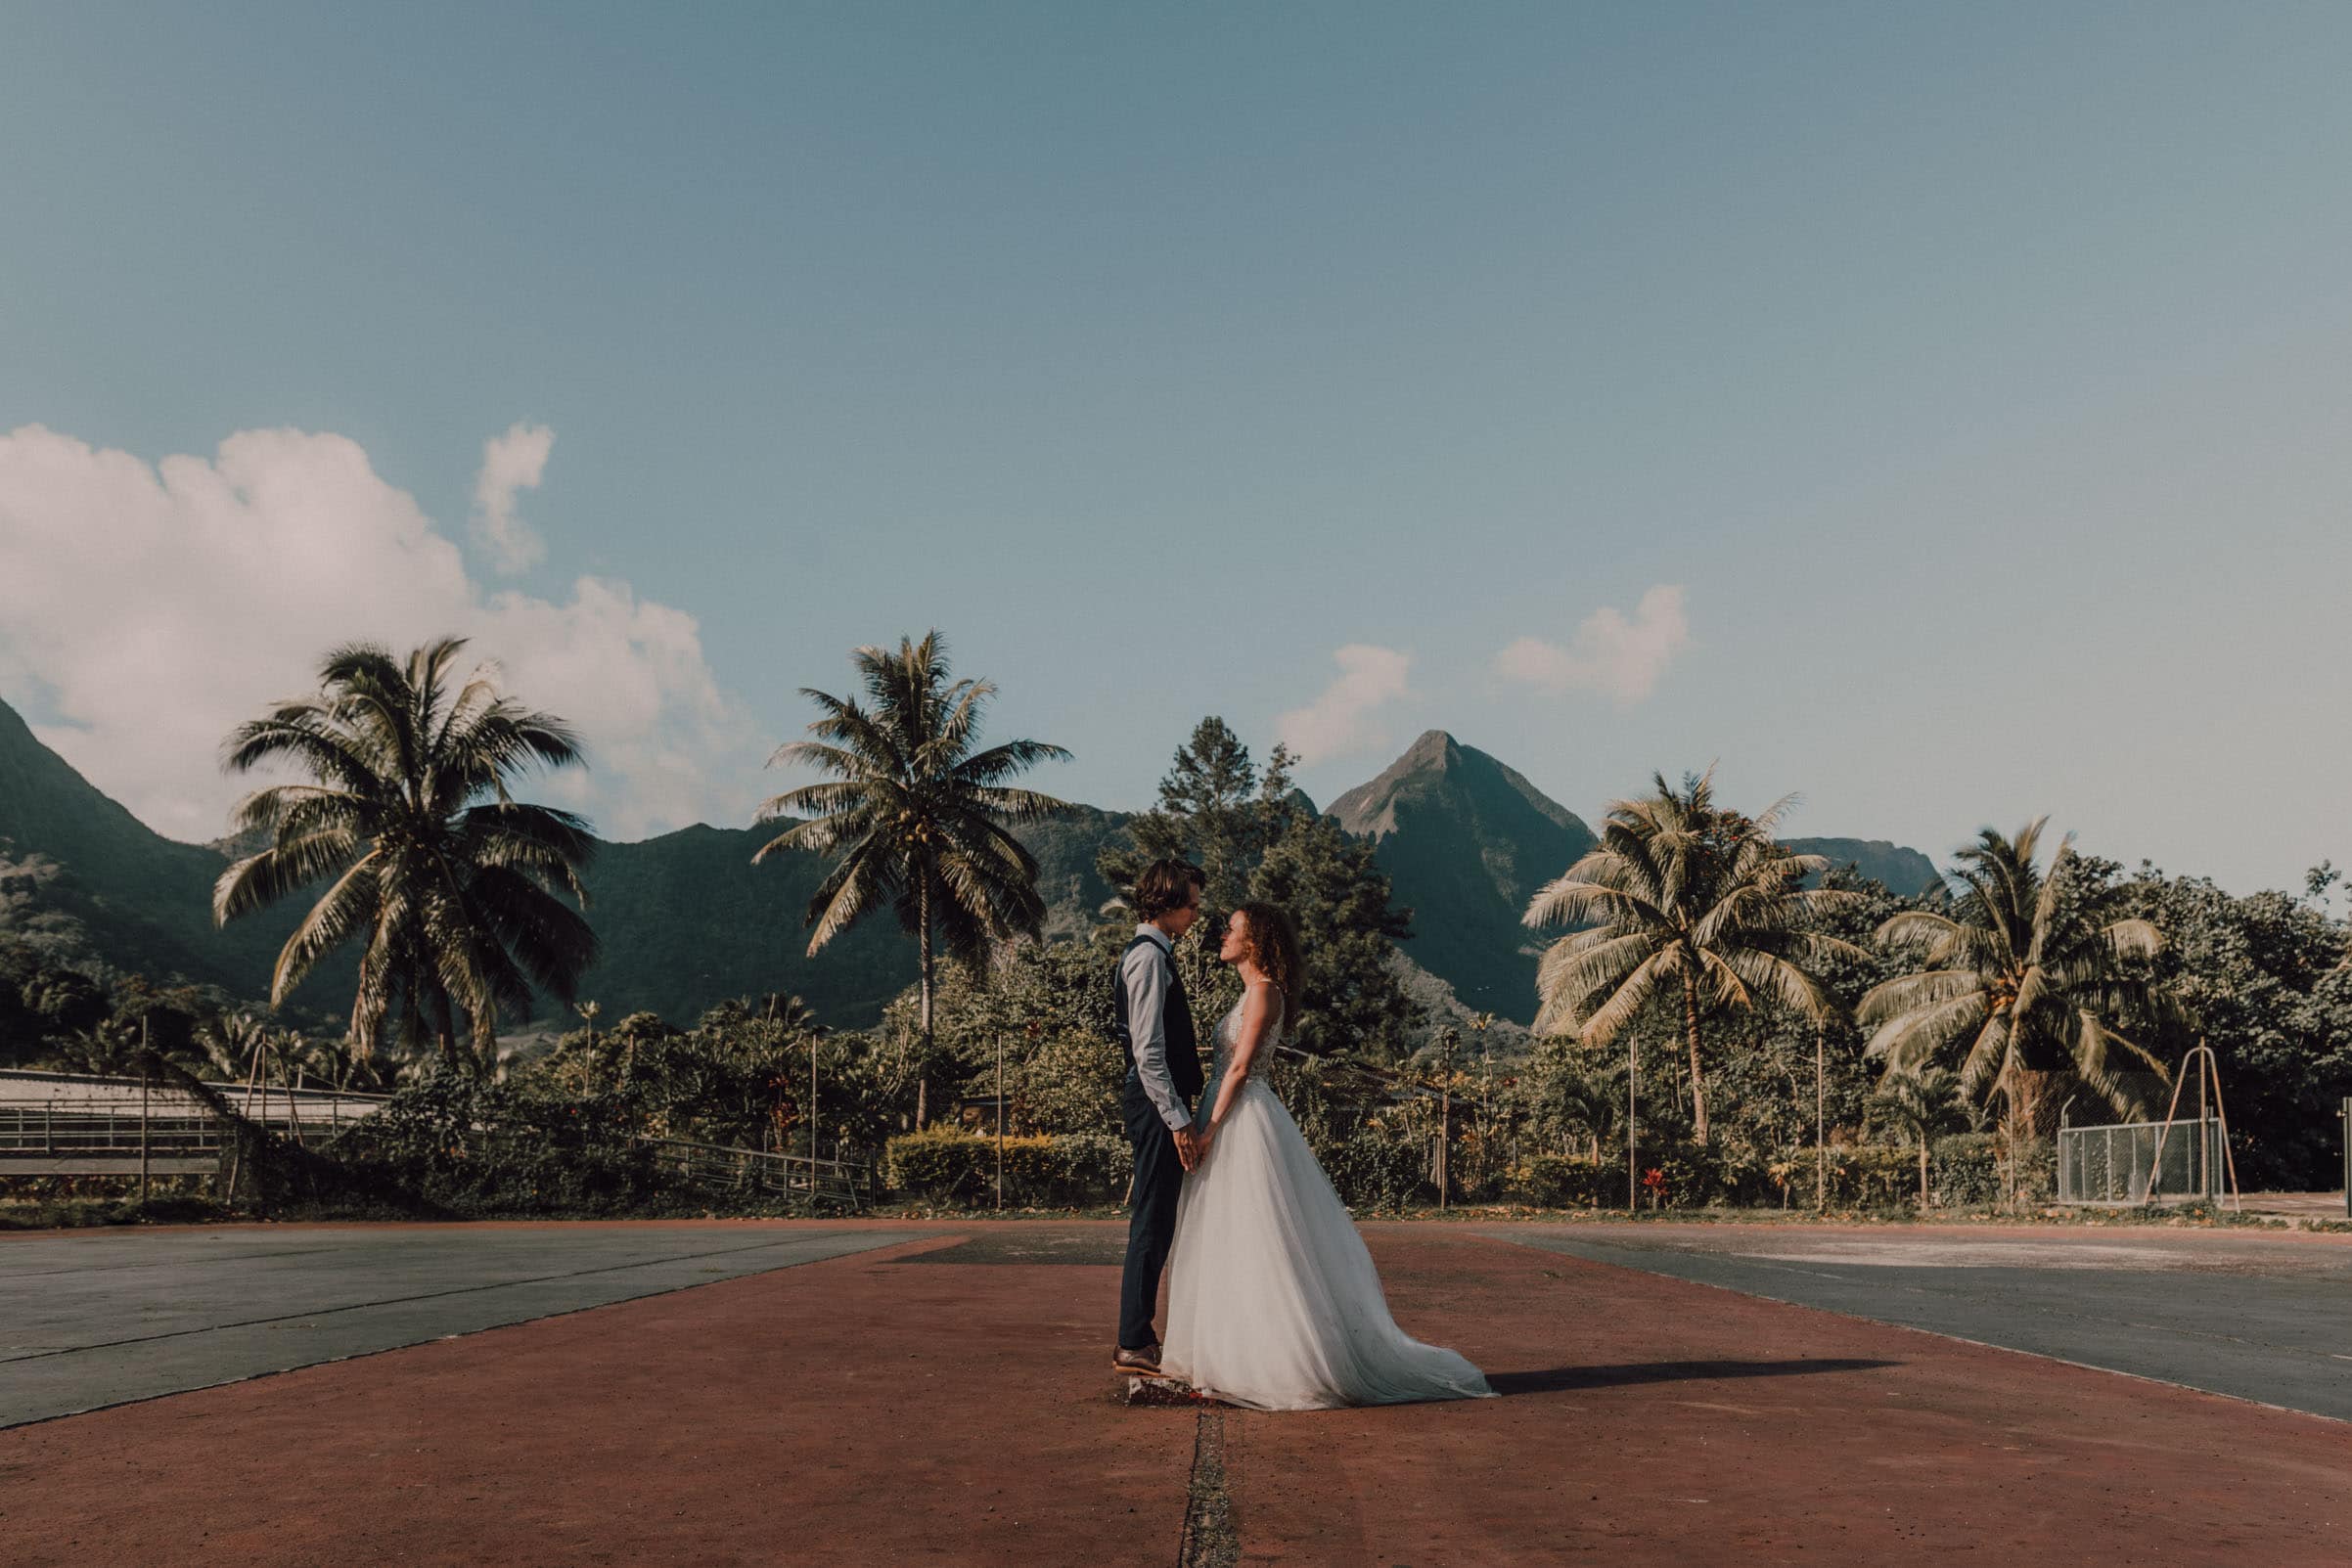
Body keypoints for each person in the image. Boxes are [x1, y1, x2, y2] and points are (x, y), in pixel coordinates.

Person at [1159, 902, 1494, 1411]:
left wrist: (1205, 1132)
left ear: (1256, 940)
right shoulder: (1250, 993)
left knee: (1259, 1236)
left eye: (1233, 929)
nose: (1222, 935)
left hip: (1241, 1118)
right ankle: (1228, 1351)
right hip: (1225, 1112)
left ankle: (1277, 1360)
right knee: (1224, 1233)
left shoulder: (1265, 992)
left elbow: (1241, 1069)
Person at [1110, 858, 1207, 1375]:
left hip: (1156, 1100)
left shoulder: (1157, 954)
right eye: (1191, 904)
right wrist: (1178, 1121)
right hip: (1153, 1103)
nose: (1196, 913)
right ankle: (1132, 1339)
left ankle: (1137, 1334)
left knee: (1159, 1215)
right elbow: (1149, 1052)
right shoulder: (1148, 958)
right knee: (1152, 1215)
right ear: (1167, 903)